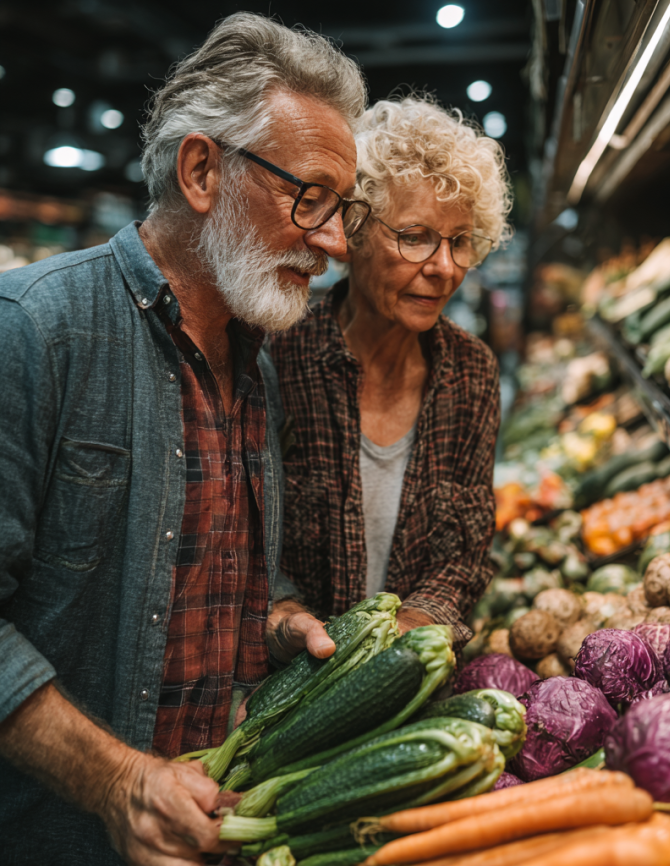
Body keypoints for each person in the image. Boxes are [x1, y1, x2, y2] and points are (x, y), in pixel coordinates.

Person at [0, 13, 368, 866]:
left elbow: (208, 575)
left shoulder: (258, 369)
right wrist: (117, 781)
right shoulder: (34, 332)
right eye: (308, 196)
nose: (336, 241)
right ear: (202, 170)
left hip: (208, 831)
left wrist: (270, 622)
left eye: (343, 208)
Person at [270, 96, 512, 645]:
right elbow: (234, 536)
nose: (445, 268)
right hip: (280, 689)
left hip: (406, 691)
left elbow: (466, 556)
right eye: (415, 236)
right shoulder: (277, 355)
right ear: (352, 232)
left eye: (459, 242)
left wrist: (410, 629)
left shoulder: (472, 374)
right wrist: (281, 615)